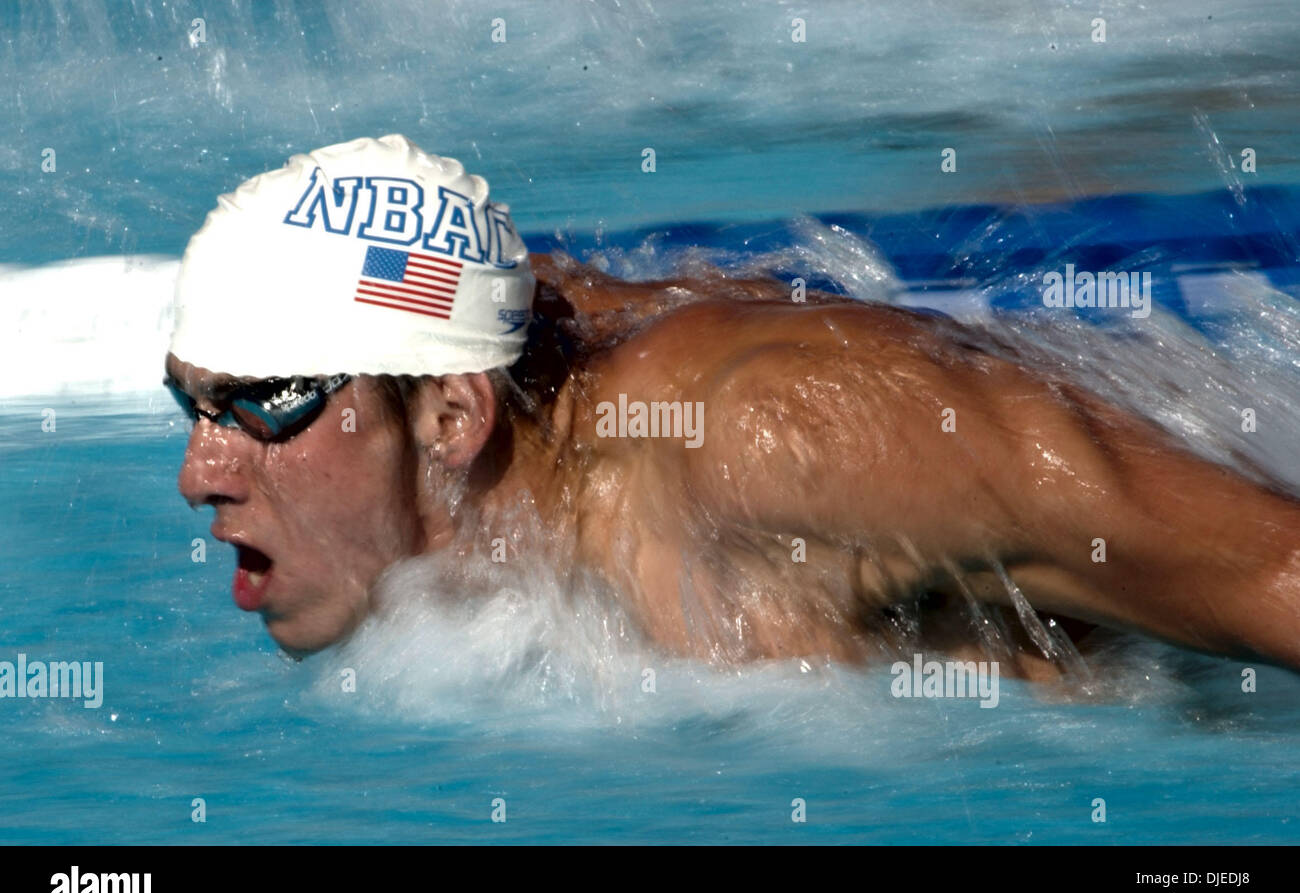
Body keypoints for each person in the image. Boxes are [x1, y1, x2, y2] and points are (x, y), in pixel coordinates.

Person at [166, 135, 1300, 675]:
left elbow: (1265, 572)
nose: (199, 472)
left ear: (453, 420)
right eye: (195, 407)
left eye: (261, 406)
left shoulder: (776, 440)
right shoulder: (503, 395)